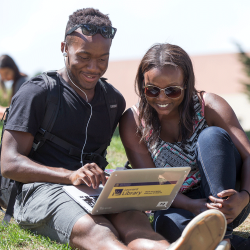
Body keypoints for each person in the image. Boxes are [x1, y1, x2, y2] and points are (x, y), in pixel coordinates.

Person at [1, 8, 227, 250]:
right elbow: (9, 163)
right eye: (84, 56)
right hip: (40, 191)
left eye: (102, 58)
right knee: (97, 229)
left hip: (93, 190)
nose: (94, 67)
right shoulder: (37, 92)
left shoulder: (112, 101)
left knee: (136, 225)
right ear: (64, 49)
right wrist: (69, 176)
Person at [119, 43, 250, 250]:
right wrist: (192, 205)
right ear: (142, 85)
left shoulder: (210, 105)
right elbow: (152, 186)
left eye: (172, 91)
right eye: (152, 90)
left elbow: (248, 156)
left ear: (186, 83)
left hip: (227, 198)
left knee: (211, 136)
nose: (161, 98)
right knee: (167, 225)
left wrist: (244, 196)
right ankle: (229, 244)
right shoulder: (133, 121)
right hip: (178, 203)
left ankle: (222, 233)